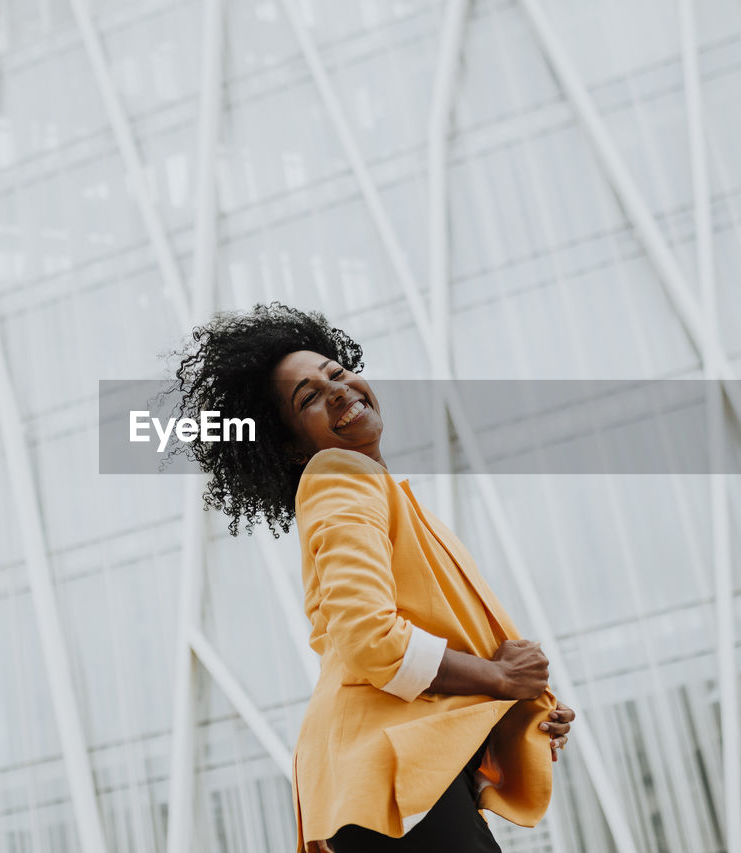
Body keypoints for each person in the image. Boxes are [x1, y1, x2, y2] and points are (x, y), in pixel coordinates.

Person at [166, 302, 576, 852]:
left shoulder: (383, 495)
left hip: (379, 782)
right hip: (379, 775)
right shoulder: (339, 479)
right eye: (308, 397)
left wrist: (522, 708)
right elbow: (371, 639)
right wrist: (500, 680)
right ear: (290, 443)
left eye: (335, 373)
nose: (335, 389)